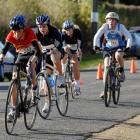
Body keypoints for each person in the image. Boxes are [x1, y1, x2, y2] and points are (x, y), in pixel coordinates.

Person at [0, 15, 41, 122]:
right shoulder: (11, 35)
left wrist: (33, 59)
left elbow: (38, 50)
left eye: (19, 31)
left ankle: (35, 90)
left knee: (30, 66)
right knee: (14, 78)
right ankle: (13, 109)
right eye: (14, 31)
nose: (16, 33)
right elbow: (4, 49)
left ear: (23, 29)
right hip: (21, 55)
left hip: (34, 53)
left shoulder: (30, 33)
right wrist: (1, 57)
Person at [93, 12, 132, 98]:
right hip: (108, 48)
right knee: (106, 66)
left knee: (118, 56)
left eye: (113, 20)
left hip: (119, 47)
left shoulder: (120, 27)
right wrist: (96, 46)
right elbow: (97, 36)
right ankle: (105, 89)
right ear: (107, 21)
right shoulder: (104, 27)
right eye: (109, 19)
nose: (111, 21)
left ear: (116, 21)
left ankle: (121, 71)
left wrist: (128, 46)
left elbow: (129, 36)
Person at [35, 14, 65, 113]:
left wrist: (53, 50)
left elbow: (60, 44)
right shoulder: (36, 33)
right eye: (40, 27)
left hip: (56, 50)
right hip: (45, 53)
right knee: (45, 79)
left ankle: (60, 77)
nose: (42, 29)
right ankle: (47, 103)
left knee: (54, 56)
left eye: (44, 26)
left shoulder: (54, 31)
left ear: (48, 25)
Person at [61, 20, 83, 95]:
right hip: (67, 47)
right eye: (67, 30)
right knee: (65, 51)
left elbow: (79, 43)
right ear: (64, 30)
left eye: (70, 29)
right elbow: (63, 44)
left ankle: (77, 85)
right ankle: (64, 67)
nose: (69, 31)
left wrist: (78, 50)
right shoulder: (63, 34)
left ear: (73, 28)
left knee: (76, 66)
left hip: (76, 47)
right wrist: (66, 50)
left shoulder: (77, 32)